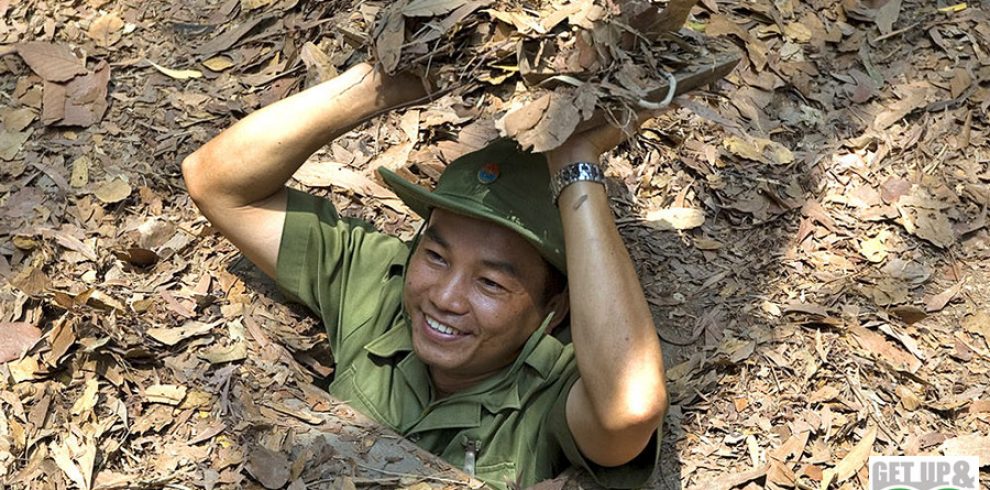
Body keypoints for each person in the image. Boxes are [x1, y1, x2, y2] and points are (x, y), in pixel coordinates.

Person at [181, 62, 668, 489]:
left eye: (490, 283)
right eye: (436, 256)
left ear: (555, 306)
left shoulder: (552, 391)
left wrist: (575, 159)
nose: (445, 298)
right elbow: (216, 183)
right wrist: (388, 82)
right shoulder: (379, 284)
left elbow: (631, 407)